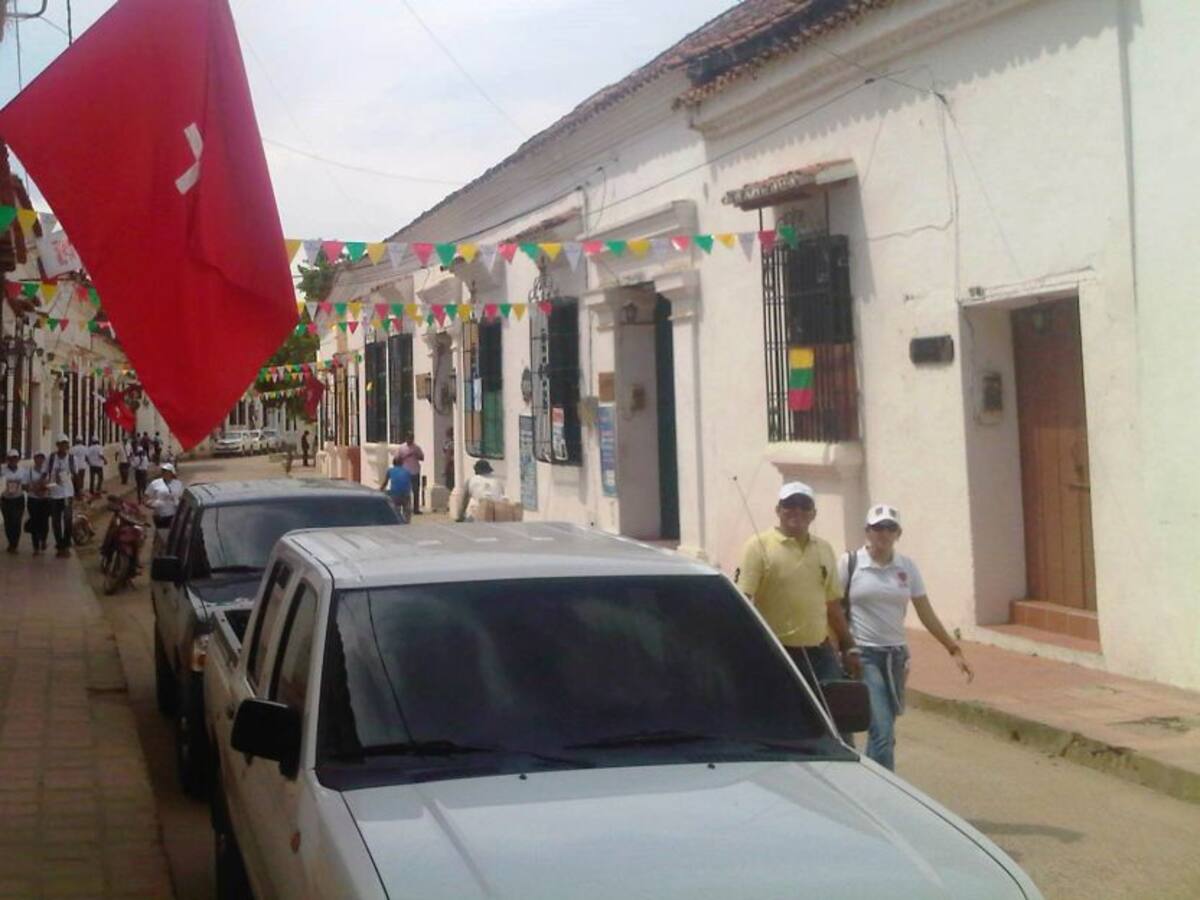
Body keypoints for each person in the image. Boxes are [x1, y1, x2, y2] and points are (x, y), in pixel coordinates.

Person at [839, 504, 974, 771]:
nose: (883, 534)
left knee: (883, 729)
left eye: (890, 528)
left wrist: (952, 648)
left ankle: (869, 781)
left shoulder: (906, 568)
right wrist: (842, 646)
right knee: (883, 732)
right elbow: (831, 607)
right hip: (863, 655)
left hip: (896, 658)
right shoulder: (850, 563)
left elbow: (924, 611)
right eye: (878, 528)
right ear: (867, 532)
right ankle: (884, 796)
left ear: (898, 533)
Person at [736, 481, 861, 691]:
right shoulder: (758, 546)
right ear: (778, 510)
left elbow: (832, 604)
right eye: (790, 505)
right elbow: (743, 602)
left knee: (830, 716)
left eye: (804, 506)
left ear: (814, 513)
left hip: (820, 652)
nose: (797, 511)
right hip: (777, 653)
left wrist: (848, 644)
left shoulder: (824, 549)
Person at [47, 434, 76, 557]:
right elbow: (46, 474)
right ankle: (60, 546)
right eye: (61, 444)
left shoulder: (71, 459)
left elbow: (76, 474)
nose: (64, 446)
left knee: (68, 520)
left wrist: (79, 491)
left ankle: (66, 544)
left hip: (67, 494)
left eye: (66, 444)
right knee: (56, 522)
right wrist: (46, 487)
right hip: (54, 494)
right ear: (57, 445)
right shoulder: (52, 458)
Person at [2, 449, 29, 554]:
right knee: (8, 522)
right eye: (10, 458)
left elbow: (26, 484)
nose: (13, 460)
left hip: (18, 499)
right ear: (7, 459)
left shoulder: (23, 471)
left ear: (18, 459)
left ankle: (15, 543)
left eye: (15, 458)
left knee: (16, 522)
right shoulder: (2, 470)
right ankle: (11, 542)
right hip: (6, 500)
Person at [26, 451, 52, 555]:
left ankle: (44, 540)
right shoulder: (29, 472)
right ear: (34, 459)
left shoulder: (47, 472)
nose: (39, 460)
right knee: (34, 522)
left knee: (44, 522)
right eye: (37, 458)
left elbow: (53, 483)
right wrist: (33, 489)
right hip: (33, 500)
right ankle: (35, 547)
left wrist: (46, 487)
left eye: (41, 458)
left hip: (44, 500)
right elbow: (25, 486)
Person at [144, 462, 183, 532]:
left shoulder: (178, 484)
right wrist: (151, 503)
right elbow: (146, 497)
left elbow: (182, 498)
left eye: (167, 472)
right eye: (164, 471)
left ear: (172, 473)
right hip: (159, 516)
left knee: (172, 534)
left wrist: (177, 502)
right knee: (161, 533)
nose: (165, 473)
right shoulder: (155, 483)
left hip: (173, 515)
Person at [395, 433, 424, 515]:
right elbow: (396, 460)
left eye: (411, 439)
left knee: (416, 490)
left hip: (415, 471)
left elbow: (422, 458)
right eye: (408, 438)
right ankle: (406, 508)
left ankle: (416, 509)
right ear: (406, 438)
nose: (410, 440)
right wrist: (405, 457)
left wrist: (416, 455)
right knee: (405, 491)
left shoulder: (416, 448)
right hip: (405, 472)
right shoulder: (401, 448)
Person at [380, 458, 413, 522]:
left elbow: (385, 483)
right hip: (406, 494)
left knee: (395, 508)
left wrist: (380, 490)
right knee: (407, 510)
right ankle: (407, 521)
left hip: (395, 494)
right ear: (402, 463)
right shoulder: (407, 471)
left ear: (393, 464)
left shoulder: (390, 470)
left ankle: (396, 519)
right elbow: (409, 482)